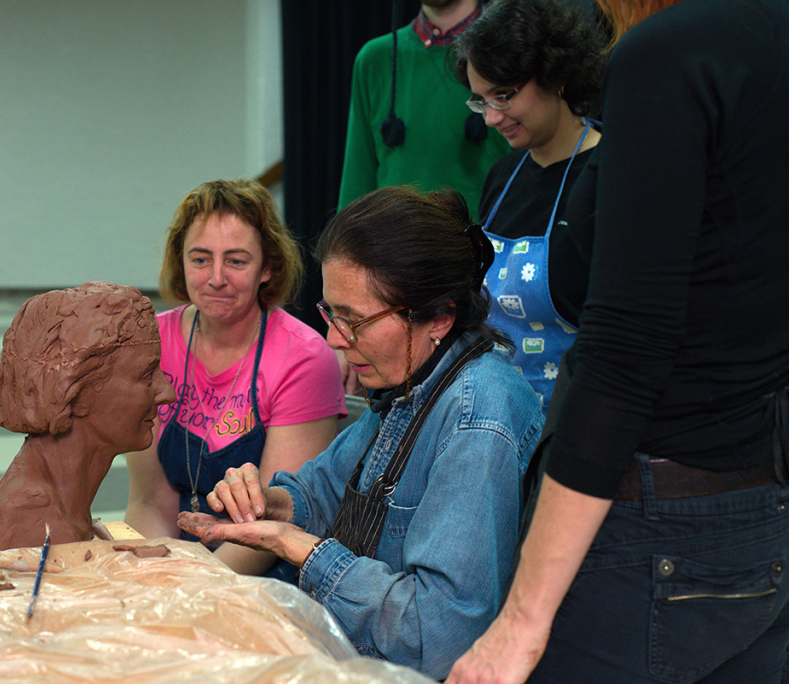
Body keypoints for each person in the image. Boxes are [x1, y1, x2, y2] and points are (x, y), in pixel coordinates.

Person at [446, 1, 789, 682]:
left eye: (504, 95)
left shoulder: (662, 58)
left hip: (646, 496)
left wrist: (522, 621)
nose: (492, 115)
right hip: (759, 494)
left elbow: (627, 347)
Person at [177, 186, 544, 680]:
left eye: (353, 320)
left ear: (439, 316)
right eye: (330, 313)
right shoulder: (411, 379)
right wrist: (265, 502)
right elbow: (325, 489)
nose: (333, 338)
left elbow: (435, 634)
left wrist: (298, 547)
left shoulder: (479, 416)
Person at [124, 179, 346, 580]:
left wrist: (195, 592)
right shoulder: (150, 342)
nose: (216, 278)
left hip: (265, 567)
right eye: (201, 259)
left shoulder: (304, 358)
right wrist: (152, 585)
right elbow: (150, 502)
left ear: (268, 268)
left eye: (237, 261)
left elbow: (275, 526)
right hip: (178, 562)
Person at [453, 0, 606, 411]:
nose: (490, 118)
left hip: (571, 418)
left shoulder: (609, 173)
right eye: (480, 101)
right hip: (497, 416)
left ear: (555, 76)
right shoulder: (504, 174)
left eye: (502, 96)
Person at [0, 282, 176, 551]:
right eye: (145, 375)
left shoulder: (67, 502)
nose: (168, 392)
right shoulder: (31, 513)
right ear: (76, 392)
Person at [338, 0, 511, 213]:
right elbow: (356, 183)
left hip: (488, 241)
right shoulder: (374, 60)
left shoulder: (510, 53)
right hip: (392, 242)